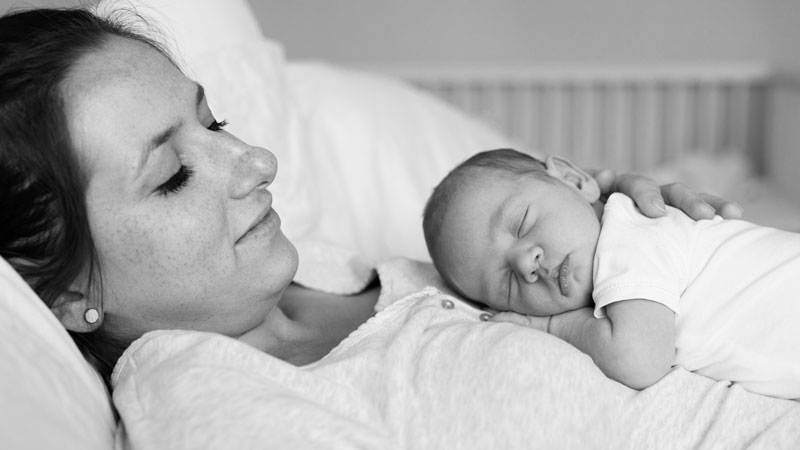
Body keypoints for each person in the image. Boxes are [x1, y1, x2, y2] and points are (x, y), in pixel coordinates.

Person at [0, 7, 756, 446]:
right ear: (66, 293)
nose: (255, 160)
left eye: (215, 122)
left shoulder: (341, 268)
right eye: (172, 175)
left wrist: (615, 230)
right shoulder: (208, 402)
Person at [423, 148, 800, 399]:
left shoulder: (630, 235)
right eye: (505, 283)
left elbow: (637, 359)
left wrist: (552, 327)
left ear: (574, 181)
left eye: (521, 223)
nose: (526, 264)